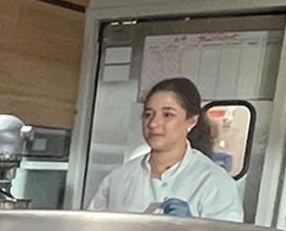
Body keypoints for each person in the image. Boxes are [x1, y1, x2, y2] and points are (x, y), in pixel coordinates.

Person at [88, 76, 242, 220]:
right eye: (148, 114)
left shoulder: (214, 182)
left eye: (167, 114)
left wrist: (194, 226)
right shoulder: (118, 178)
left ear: (191, 121)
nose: (153, 123)